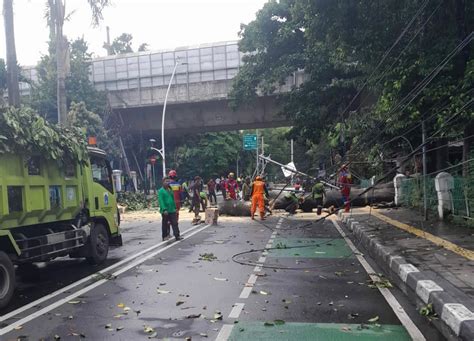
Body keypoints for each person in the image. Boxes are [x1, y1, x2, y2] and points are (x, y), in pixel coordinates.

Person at [158, 177, 182, 241]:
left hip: (172, 209)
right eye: (166, 181)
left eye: (168, 181)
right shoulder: (161, 191)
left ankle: (177, 235)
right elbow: (161, 201)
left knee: (175, 223)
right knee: (165, 224)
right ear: (163, 182)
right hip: (166, 210)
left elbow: (173, 199)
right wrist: (164, 209)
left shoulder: (170, 190)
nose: (168, 183)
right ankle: (165, 235)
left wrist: (175, 207)